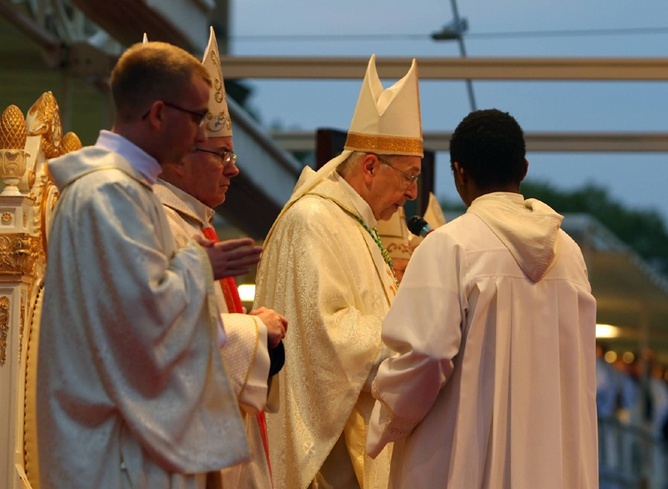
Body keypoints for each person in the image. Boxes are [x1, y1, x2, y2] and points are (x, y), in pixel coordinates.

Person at [36, 41, 257, 488]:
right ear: (158, 113)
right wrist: (200, 267)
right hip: (114, 453)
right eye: (195, 118)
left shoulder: (131, 192)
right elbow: (137, 320)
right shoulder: (107, 194)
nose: (199, 135)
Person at [366, 108, 599, 489]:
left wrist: (388, 418)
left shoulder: (450, 245)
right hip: (555, 467)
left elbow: (426, 354)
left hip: (465, 466)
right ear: (523, 168)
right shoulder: (570, 254)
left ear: (459, 172)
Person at [254, 54, 423, 489]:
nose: (412, 192)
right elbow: (327, 337)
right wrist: (417, 336)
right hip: (331, 465)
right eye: (408, 176)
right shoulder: (313, 220)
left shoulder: (355, 223)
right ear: (369, 166)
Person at [154, 27, 288, 488]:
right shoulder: (153, 224)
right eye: (222, 154)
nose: (234, 169)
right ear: (176, 158)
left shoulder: (193, 223)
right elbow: (157, 337)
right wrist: (257, 330)